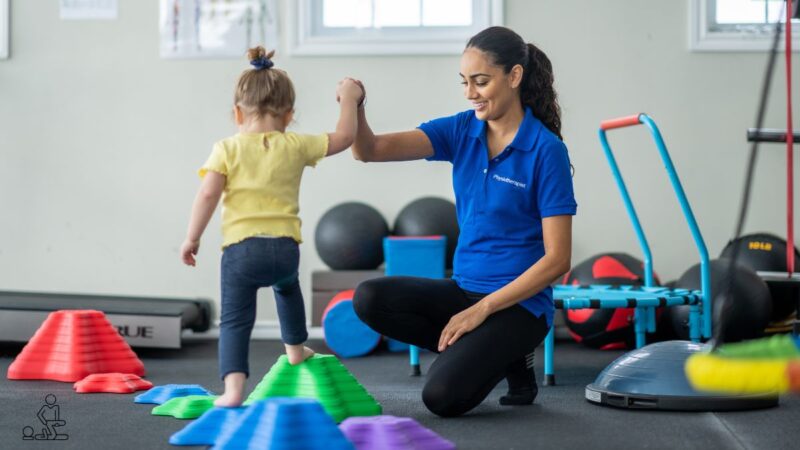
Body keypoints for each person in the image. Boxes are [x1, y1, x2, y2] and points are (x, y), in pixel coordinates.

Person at [351, 26, 577, 417]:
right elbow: (369, 150)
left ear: (515, 77)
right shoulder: (461, 129)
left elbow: (558, 261)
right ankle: (499, 357)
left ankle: (508, 351)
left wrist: (485, 309)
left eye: (481, 81)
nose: (471, 93)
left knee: (441, 398)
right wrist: (354, 106)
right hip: (464, 290)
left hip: (519, 307)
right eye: (465, 82)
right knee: (369, 298)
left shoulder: (546, 150)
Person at [180, 46, 363, 407]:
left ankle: (233, 390)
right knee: (287, 290)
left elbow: (207, 195)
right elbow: (344, 138)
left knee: (234, 320)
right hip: (284, 250)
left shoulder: (227, 148)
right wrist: (349, 99)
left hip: (240, 250)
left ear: (237, 112)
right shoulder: (295, 145)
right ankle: (295, 347)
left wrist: (192, 237)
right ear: (290, 114)